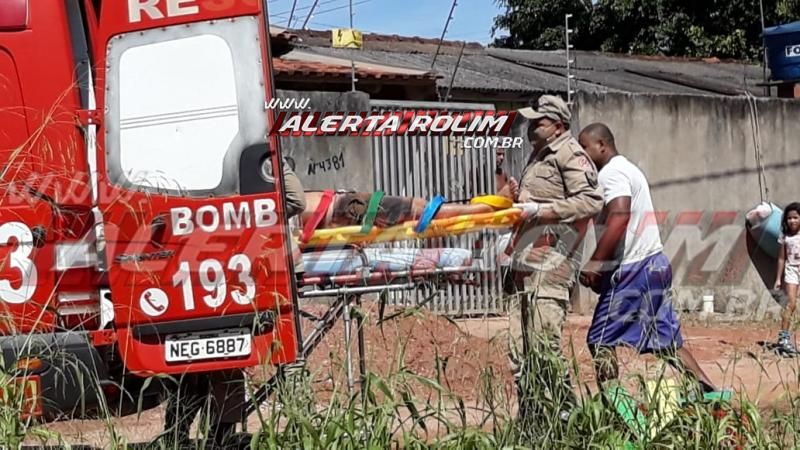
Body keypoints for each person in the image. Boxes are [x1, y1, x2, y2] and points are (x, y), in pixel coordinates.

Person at [162, 157, 307, 447]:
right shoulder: (250, 153)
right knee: (232, 356)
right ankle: (219, 434)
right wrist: (271, 158)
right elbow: (296, 200)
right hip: (250, 272)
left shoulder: (180, 167)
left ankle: (185, 433)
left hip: (210, 273)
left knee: (204, 359)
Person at [576, 122, 719, 394]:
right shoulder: (630, 169)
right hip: (655, 263)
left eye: (584, 147)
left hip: (634, 270)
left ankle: (621, 417)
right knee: (666, 343)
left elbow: (619, 217)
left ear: (602, 145)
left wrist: (594, 265)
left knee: (600, 340)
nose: (581, 154)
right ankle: (710, 395)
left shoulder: (611, 173)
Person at [503, 95, 604, 419]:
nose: (532, 127)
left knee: (545, 345)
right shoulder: (538, 154)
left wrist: (542, 210)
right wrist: (520, 198)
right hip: (527, 261)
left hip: (554, 261)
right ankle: (532, 420)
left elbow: (591, 201)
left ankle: (567, 418)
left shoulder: (570, 154)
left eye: (539, 122)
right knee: (519, 349)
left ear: (558, 125)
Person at [774, 202, 800, 356]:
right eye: (789, 218)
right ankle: (783, 339)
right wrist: (778, 278)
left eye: (796, 217)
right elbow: (782, 259)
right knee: (790, 305)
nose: (792, 221)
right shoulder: (785, 237)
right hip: (791, 271)